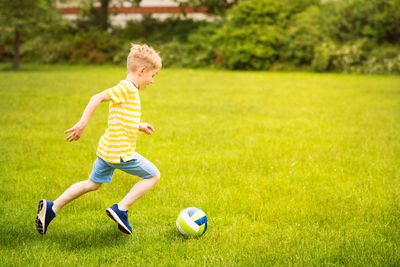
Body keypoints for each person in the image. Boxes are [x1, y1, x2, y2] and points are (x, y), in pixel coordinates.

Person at [35, 44, 162, 235]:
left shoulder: (129, 91)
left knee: (92, 184)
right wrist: (82, 123)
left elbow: (122, 117)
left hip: (107, 150)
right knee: (153, 175)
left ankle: (52, 208)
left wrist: (139, 125)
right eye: (153, 76)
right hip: (120, 152)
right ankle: (121, 208)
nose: (152, 81)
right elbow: (97, 97)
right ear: (142, 71)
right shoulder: (127, 88)